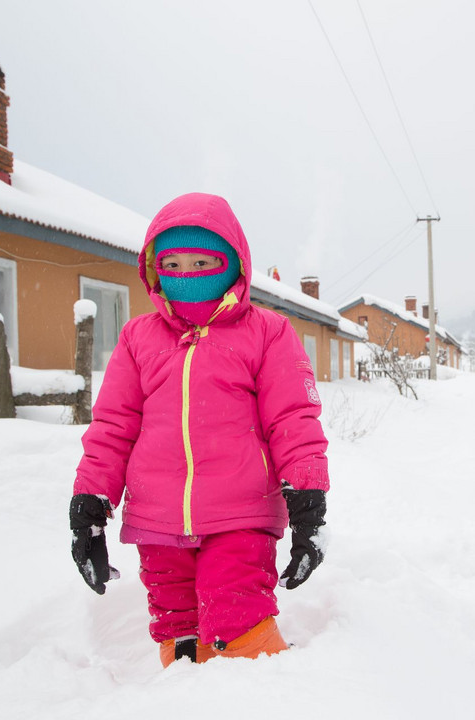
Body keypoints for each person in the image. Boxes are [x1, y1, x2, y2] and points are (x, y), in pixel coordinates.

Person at [69, 192, 329, 667]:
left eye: (203, 261)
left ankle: (262, 695)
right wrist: (89, 505)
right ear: (154, 269)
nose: (187, 274)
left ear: (233, 264)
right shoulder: (137, 338)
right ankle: (185, 698)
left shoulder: (267, 332)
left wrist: (307, 501)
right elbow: (113, 426)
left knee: (236, 612)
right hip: (157, 518)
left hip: (240, 513)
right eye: (172, 263)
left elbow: (292, 418)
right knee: (177, 626)